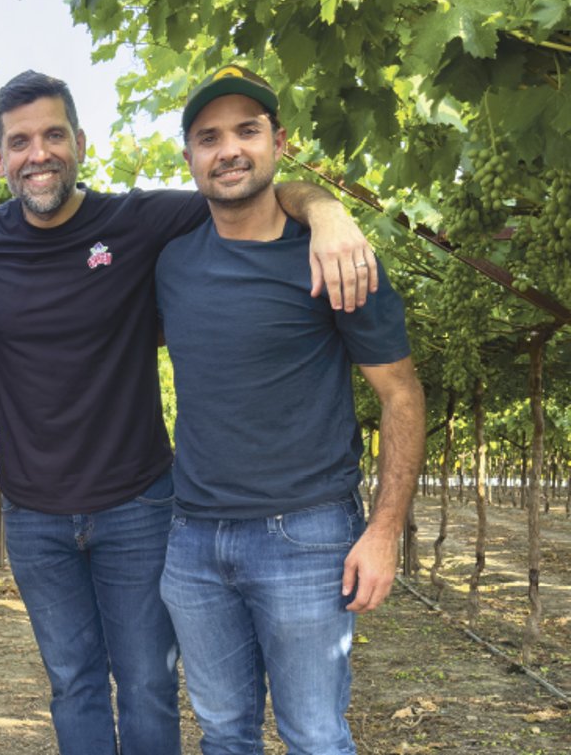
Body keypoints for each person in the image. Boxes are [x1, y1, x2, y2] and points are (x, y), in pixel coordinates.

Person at [0, 70, 378, 754]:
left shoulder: (139, 222)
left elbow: (247, 190)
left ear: (80, 142)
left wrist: (327, 210)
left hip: (139, 506)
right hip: (33, 514)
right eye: (20, 141)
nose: (39, 154)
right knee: (72, 681)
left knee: (149, 680)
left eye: (54, 134)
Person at [156, 65, 425, 753]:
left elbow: (400, 393)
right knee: (223, 733)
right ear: (189, 156)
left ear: (279, 140)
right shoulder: (171, 262)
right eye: (209, 137)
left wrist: (386, 529)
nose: (229, 150)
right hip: (193, 540)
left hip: (306, 536)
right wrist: (322, 201)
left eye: (248, 130)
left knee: (314, 736)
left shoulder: (336, 259)